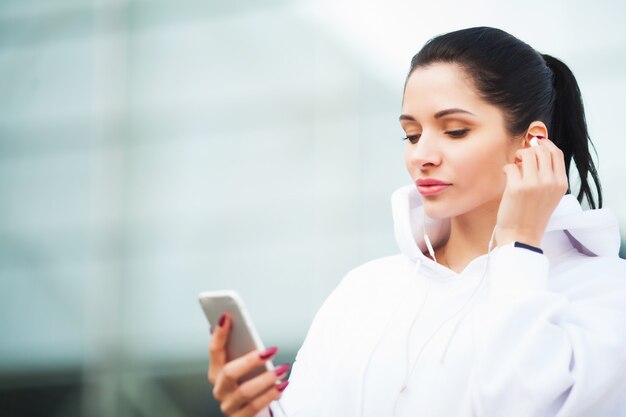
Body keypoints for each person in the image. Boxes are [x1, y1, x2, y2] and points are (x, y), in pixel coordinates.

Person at [207, 26, 626, 417]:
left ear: (531, 141)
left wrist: (517, 245)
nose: (421, 154)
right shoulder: (365, 289)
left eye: (455, 130)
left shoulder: (604, 291)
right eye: (411, 134)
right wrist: (257, 409)